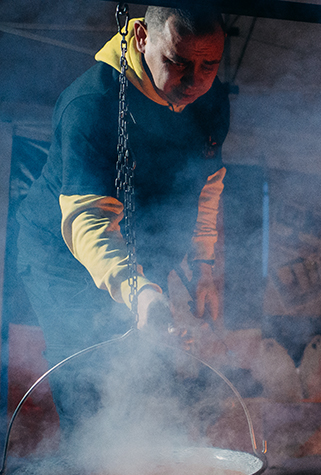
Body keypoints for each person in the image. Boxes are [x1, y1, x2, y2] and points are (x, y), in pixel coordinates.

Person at [15, 6, 228, 439]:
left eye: (210, 65)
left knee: (152, 366)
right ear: (141, 37)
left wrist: (202, 267)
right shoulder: (92, 105)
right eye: (177, 62)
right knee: (87, 368)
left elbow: (207, 186)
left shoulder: (210, 100)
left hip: (141, 246)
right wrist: (141, 292)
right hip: (64, 258)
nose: (195, 80)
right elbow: (88, 222)